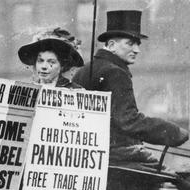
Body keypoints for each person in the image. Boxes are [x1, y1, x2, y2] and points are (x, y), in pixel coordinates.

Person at [73, 10, 188, 170]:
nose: (137, 50)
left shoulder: (85, 69)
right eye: (130, 43)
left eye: (138, 44)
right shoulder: (116, 73)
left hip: (87, 156)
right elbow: (128, 121)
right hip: (115, 157)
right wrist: (173, 132)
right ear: (111, 45)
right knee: (174, 181)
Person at [18, 27, 84, 88]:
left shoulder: (74, 91)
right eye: (40, 61)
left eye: (51, 62)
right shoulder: (28, 89)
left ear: (62, 66)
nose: (44, 67)